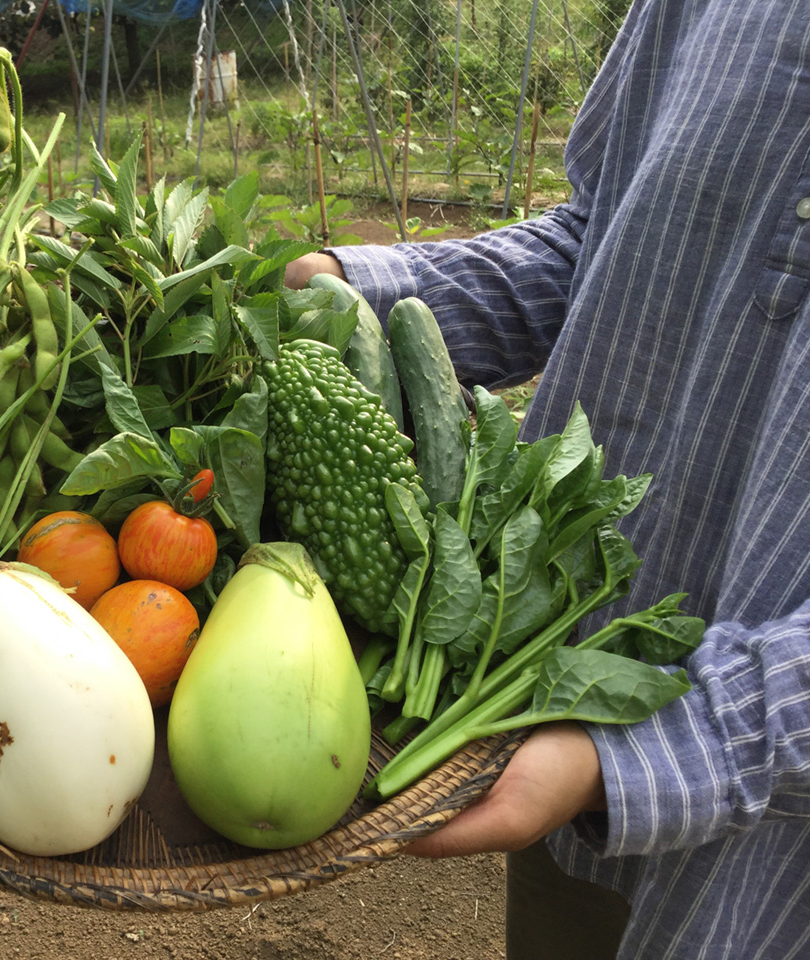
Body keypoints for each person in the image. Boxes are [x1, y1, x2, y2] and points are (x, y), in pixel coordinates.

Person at [285, 2, 810, 958]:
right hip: (547, 690)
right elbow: (600, 237)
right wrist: (359, 292)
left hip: (769, 868)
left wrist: (639, 753)